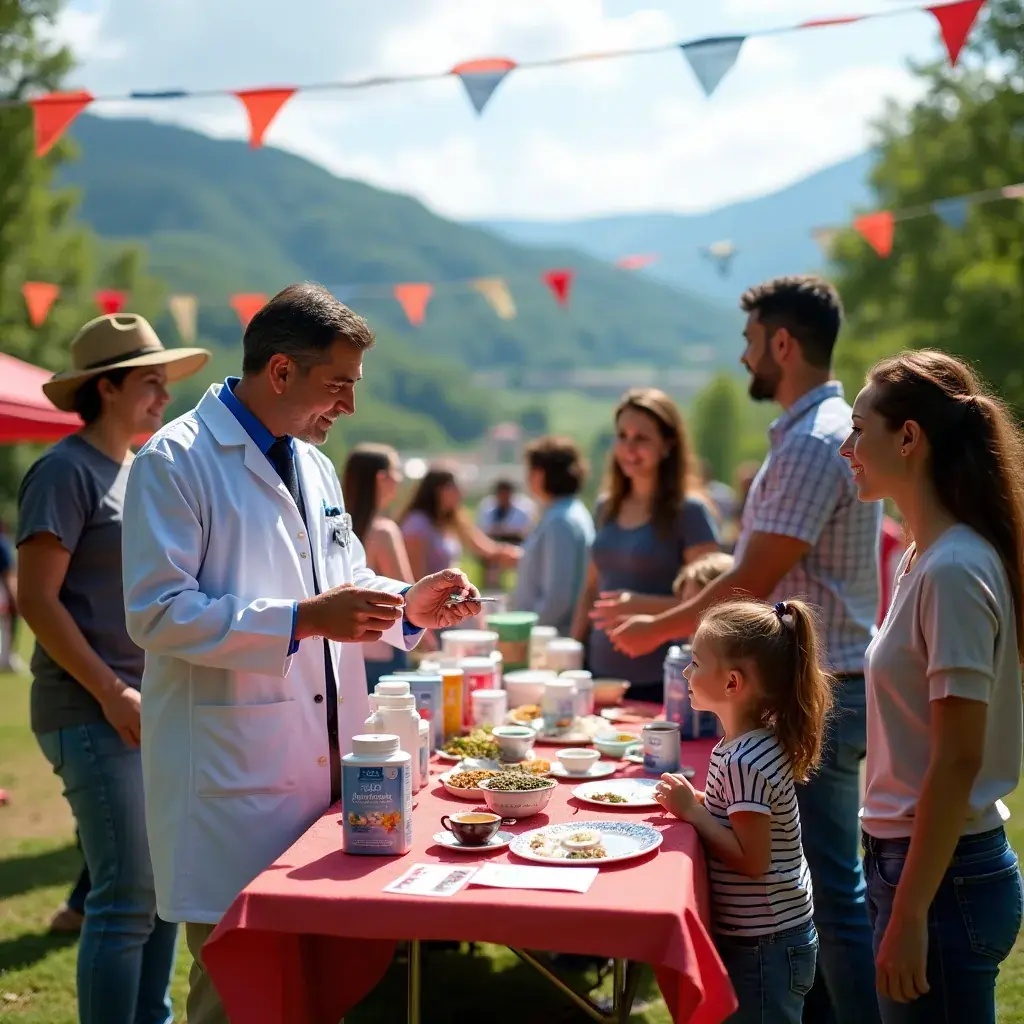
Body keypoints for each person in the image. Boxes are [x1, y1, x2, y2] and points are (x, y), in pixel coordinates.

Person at [120, 283, 482, 1024]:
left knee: (320, 986)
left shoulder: (312, 463)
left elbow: (338, 583)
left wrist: (404, 602)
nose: (349, 405)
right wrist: (301, 619)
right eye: (338, 385)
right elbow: (156, 614)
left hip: (320, 777)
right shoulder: (176, 460)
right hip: (232, 781)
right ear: (280, 372)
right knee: (239, 991)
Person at [608, 276, 882, 1024]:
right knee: (823, 888)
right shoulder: (815, 434)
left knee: (830, 892)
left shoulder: (809, 444)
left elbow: (751, 579)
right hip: (821, 681)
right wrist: (659, 608)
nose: (744, 357)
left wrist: (660, 627)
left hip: (818, 686)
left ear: (782, 345)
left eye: (750, 341)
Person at [17, 313, 210, 1024]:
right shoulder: (63, 470)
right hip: (90, 708)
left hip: (145, 708)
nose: (164, 397)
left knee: (162, 898)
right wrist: (111, 690)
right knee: (126, 898)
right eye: (151, 383)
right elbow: (35, 598)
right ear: (106, 388)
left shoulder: (135, 470)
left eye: (165, 383)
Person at [841, 350, 1023, 1022]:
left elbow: (958, 758)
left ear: (909, 437)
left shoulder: (952, 569)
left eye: (860, 429)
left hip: (943, 880)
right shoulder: (926, 555)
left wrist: (911, 910)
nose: (847, 447)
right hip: (918, 867)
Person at [656, 598, 833, 1023]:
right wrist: (701, 804)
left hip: (765, 944)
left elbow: (753, 859)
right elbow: (742, 818)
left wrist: (696, 815)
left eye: (696, 663)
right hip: (771, 937)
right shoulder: (748, 744)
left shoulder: (743, 760)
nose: (686, 672)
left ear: (732, 683)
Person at [573, 387, 719, 703]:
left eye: (641, 438)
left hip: (665, 684)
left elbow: (715, 605)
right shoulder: (605, 507)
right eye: (622, 436)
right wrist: (573, 654)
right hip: (600, 677)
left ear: (668, 445)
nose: (628, 447)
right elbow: (591, 589)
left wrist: (641, 604)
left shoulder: (690, 512)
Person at [342, 443, 414, 690]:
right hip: (384, 653)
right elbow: (408, 595)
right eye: (396, 472)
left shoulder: (338, 527)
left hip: (347, 654)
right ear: (381, 478)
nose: (400, 479)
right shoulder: (383, 531)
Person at [510, 436, 595, 633]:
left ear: (540, 474)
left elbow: (558, 597)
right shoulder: (569, 512)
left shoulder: (559, 521)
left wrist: (525, 634)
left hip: (549, 640)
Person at [401, 466, 520, 581]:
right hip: (429, 598)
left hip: (445, 597)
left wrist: (515, 553)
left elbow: (484, 548)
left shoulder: (452, 518)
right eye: (455, 487)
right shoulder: (417, 524)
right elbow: (416, 579)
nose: (461, 492)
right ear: (439, 489)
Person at [477, 479, 534, 588]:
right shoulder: (487, 507)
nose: (504, 497)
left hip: (516, 543)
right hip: (493, 543)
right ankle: (491, 587)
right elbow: (483, 530)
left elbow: (523, 531)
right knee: (491, 555)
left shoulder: (523, 508)